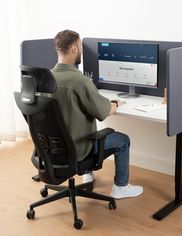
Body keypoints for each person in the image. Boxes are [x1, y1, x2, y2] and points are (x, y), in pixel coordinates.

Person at [51, 29, 143, 199]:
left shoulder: (46, 79)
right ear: (74, 48)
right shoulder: (79, 81)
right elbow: (104, 111)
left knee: (82, 128)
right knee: (123, 140)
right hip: (78, 149)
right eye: (80, 46)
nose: (83, 51)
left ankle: (88, 174)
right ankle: (121, 187)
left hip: (52, 149)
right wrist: (114, 104)